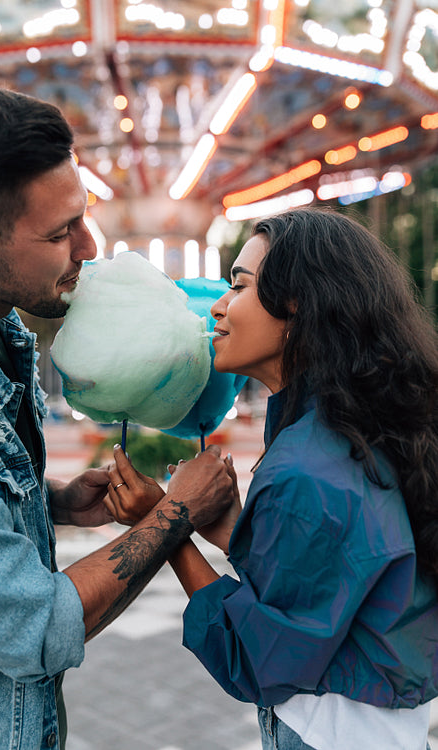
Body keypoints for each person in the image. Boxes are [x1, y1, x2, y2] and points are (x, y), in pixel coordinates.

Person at [0, 80, 235, 750]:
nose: (91, 248)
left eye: (83, 215)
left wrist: (58, 505)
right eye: (60, 231)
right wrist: (174, 513)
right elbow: (33, 629)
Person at [105, 208, 438, 750]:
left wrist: (167, 525)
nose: (217, 305)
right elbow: (326, 582)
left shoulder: (310, 466)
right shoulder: (353, 431)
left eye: (238, 286)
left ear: (297, 305)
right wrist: (233, 525)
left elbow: (257, 661)